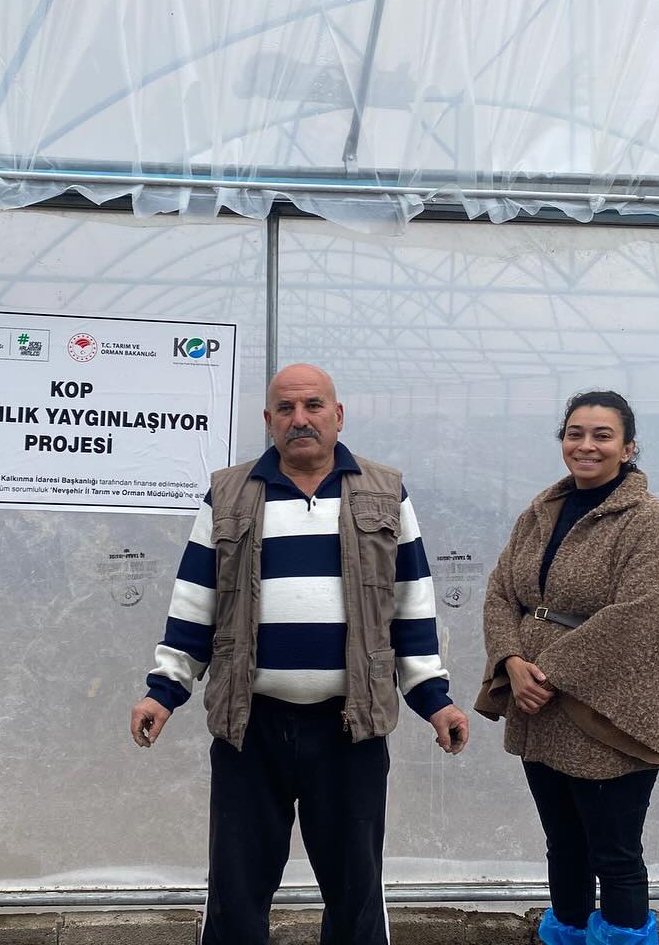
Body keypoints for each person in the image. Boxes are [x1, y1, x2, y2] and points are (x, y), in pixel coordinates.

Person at [130, 363, 468, 945]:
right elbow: (196, 599)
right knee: (236, 891)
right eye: (285, 409)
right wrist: (164, 691)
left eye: (313, 406)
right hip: (250, 728)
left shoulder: (386, 491)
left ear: (338, 415)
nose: (300, 419)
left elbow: (410, 603)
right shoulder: (228, 494)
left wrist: (434, 699)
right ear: (269, 420)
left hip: (350, 729)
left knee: (355, 892)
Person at [474, 390, 659, 945]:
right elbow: (500, 592)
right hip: (539, 710)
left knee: (615, 853)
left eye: (602, 435)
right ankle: (566, 934)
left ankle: (624, 936)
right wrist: (511, 662)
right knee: (563, 845)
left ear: (628, 448)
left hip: (607, 714)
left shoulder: (648, 522)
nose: (586, 445)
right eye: (575, 433)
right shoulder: (541, 512)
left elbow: (644, 611)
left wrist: (545, 672)